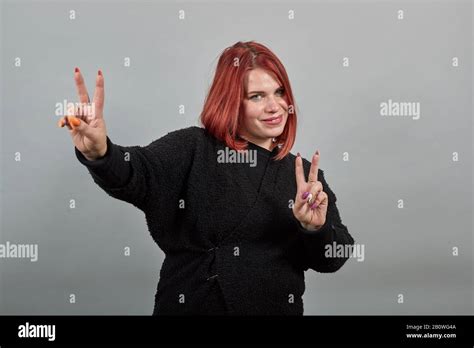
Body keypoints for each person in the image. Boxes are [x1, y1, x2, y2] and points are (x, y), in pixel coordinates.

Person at [59, 41, 355, 315]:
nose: (274, 106)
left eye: (280, 92)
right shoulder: (192, 148)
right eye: (256, 96)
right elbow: (136, 171)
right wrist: (101, 152)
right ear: (230, 102)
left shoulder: (305, 178)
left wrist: (315, 228)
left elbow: (333, 257)